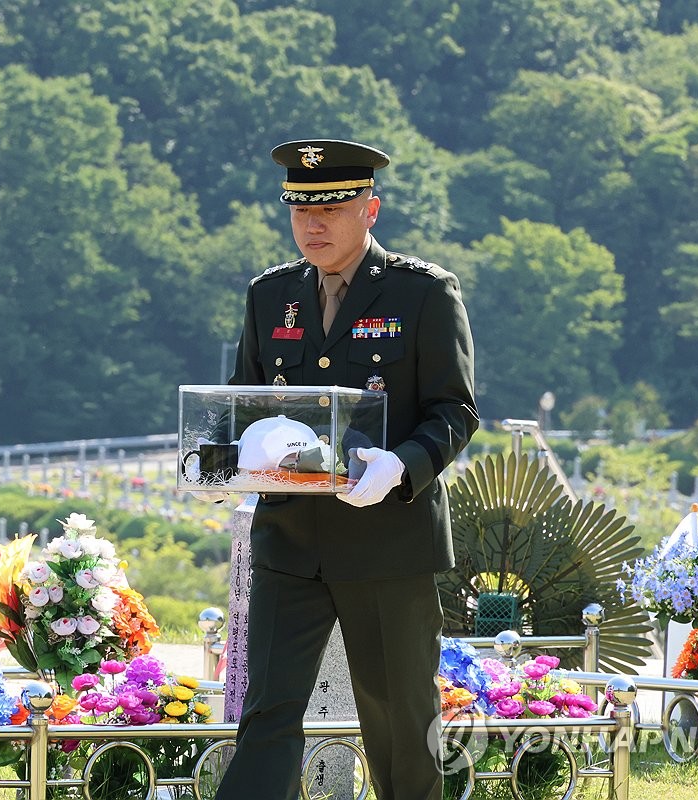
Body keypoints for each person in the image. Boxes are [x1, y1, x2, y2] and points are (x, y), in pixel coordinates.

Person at [212, 139, 478, 800]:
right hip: (290, 543)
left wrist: (402, 465)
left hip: (388, 544)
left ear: (371, 209)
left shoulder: (424, 294)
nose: (314, 224)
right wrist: (223, 462)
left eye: (332, 207)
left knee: (400, 723)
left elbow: (455, 410)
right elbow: (243, 404)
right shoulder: (271, 296)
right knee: (266, 715)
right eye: (300, 210)